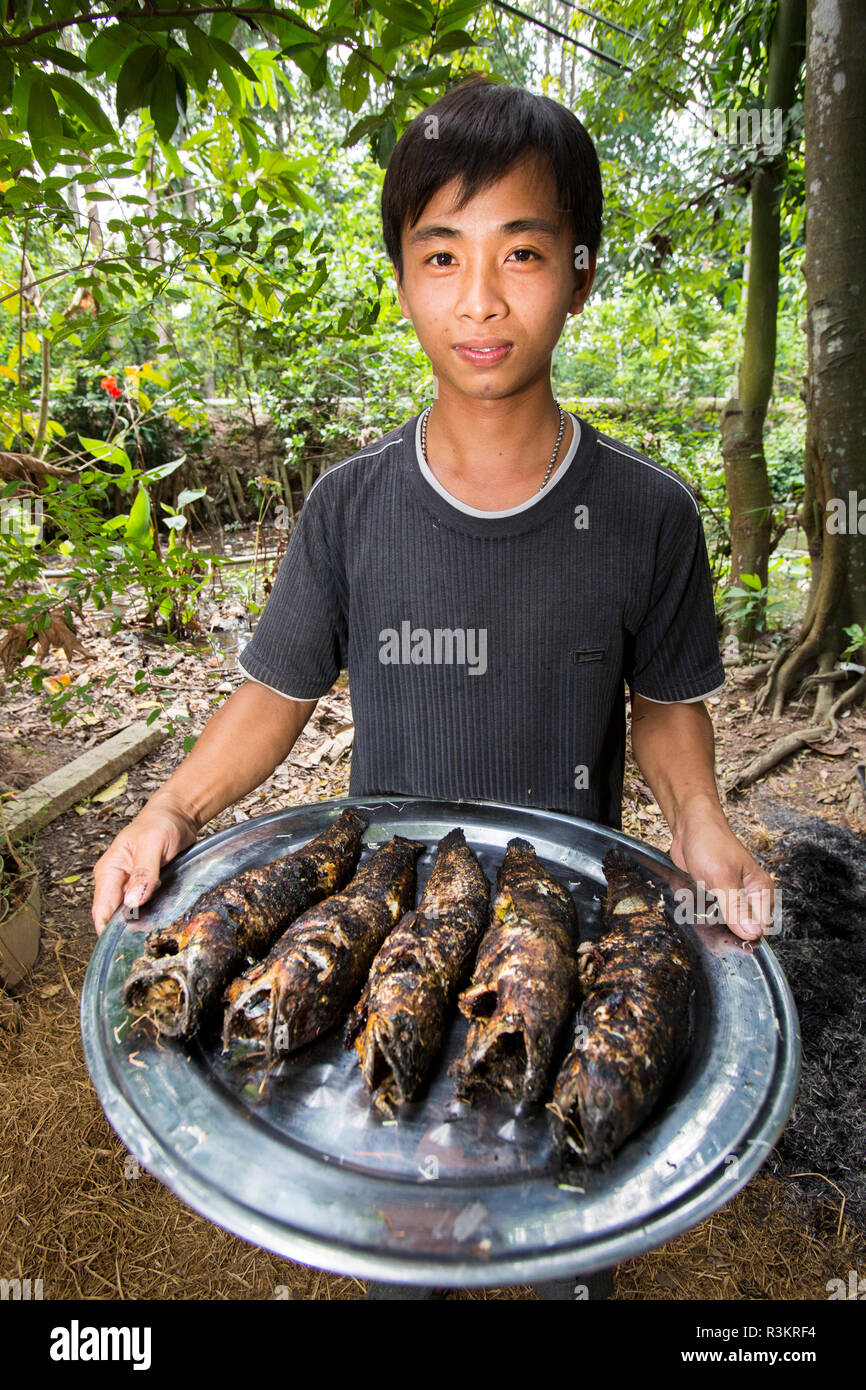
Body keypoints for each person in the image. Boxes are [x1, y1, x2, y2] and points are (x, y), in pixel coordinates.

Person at [91, 74, 776, 1300]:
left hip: (564, 946)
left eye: (520, 252)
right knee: (398, 1227)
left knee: (556, 1227)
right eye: (440, 255)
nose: (479, 299)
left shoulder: (645, 516)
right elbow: (273, 696)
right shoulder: (350, 510)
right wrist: (171, 812)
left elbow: (667, 713)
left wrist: (702, 826)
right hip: (372, 938)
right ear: (401, 277)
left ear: (578, 270)